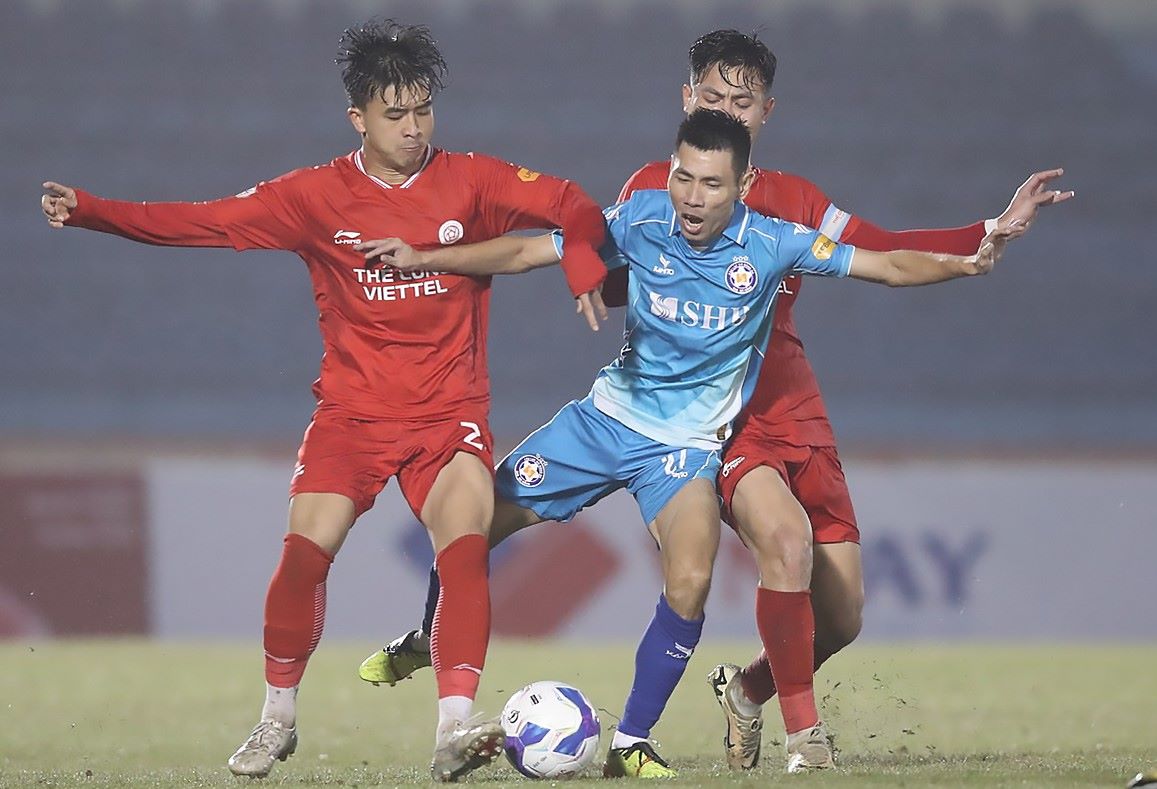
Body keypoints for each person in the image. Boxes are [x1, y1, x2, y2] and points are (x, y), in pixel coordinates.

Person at [358, 29, 1073, 774]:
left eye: (739, 104)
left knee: (784, 597)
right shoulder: (644, 203)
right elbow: (543, 248)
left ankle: (649, 732)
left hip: (732, 426)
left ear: (760, 125)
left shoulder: (780, 225)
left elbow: (886, 254)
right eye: (708, 103)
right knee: (470, 518)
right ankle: (431, 637)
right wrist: (437, 256)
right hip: (635, 420)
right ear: (682, 118)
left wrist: (981, 239)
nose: (695, 188)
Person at [39, 18, 608, 782]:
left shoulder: (471, 179)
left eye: (422, 111)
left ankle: (452, 726)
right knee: (305, 557)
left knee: (465, 543)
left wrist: (577, 261)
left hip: (447, 417)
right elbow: (202, 222)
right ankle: (276, 720)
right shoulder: (314, 196)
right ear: (358, 119)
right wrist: (92, 210)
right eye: (394, 115)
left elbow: (574, 203)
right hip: (353, 416)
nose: (413, 129)